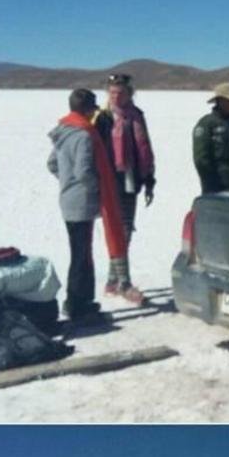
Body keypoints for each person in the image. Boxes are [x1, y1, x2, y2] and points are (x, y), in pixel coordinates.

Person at [47, 88, 129, 320]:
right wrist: (97, 189)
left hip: (68, 200)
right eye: (92, 109)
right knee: (82, 255)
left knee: (79, 252)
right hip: (81, 203)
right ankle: (78, 305)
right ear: (86, 110)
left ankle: (77, 302)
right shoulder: (83, 134)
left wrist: (66, 182)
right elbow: (84, 170)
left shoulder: (64, 131)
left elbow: (52, 164)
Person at [91, 72, 154, 303]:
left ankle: (112, 280)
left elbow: (145, 146)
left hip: (131, 178)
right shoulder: (103, 118)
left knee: (125, 230)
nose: (116, 96)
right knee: (120, 230)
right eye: (113, 92)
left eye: (121, 92)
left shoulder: (136, 116)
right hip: (110, 179)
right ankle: (123, 283)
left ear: (130, 94)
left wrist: (149, 177)